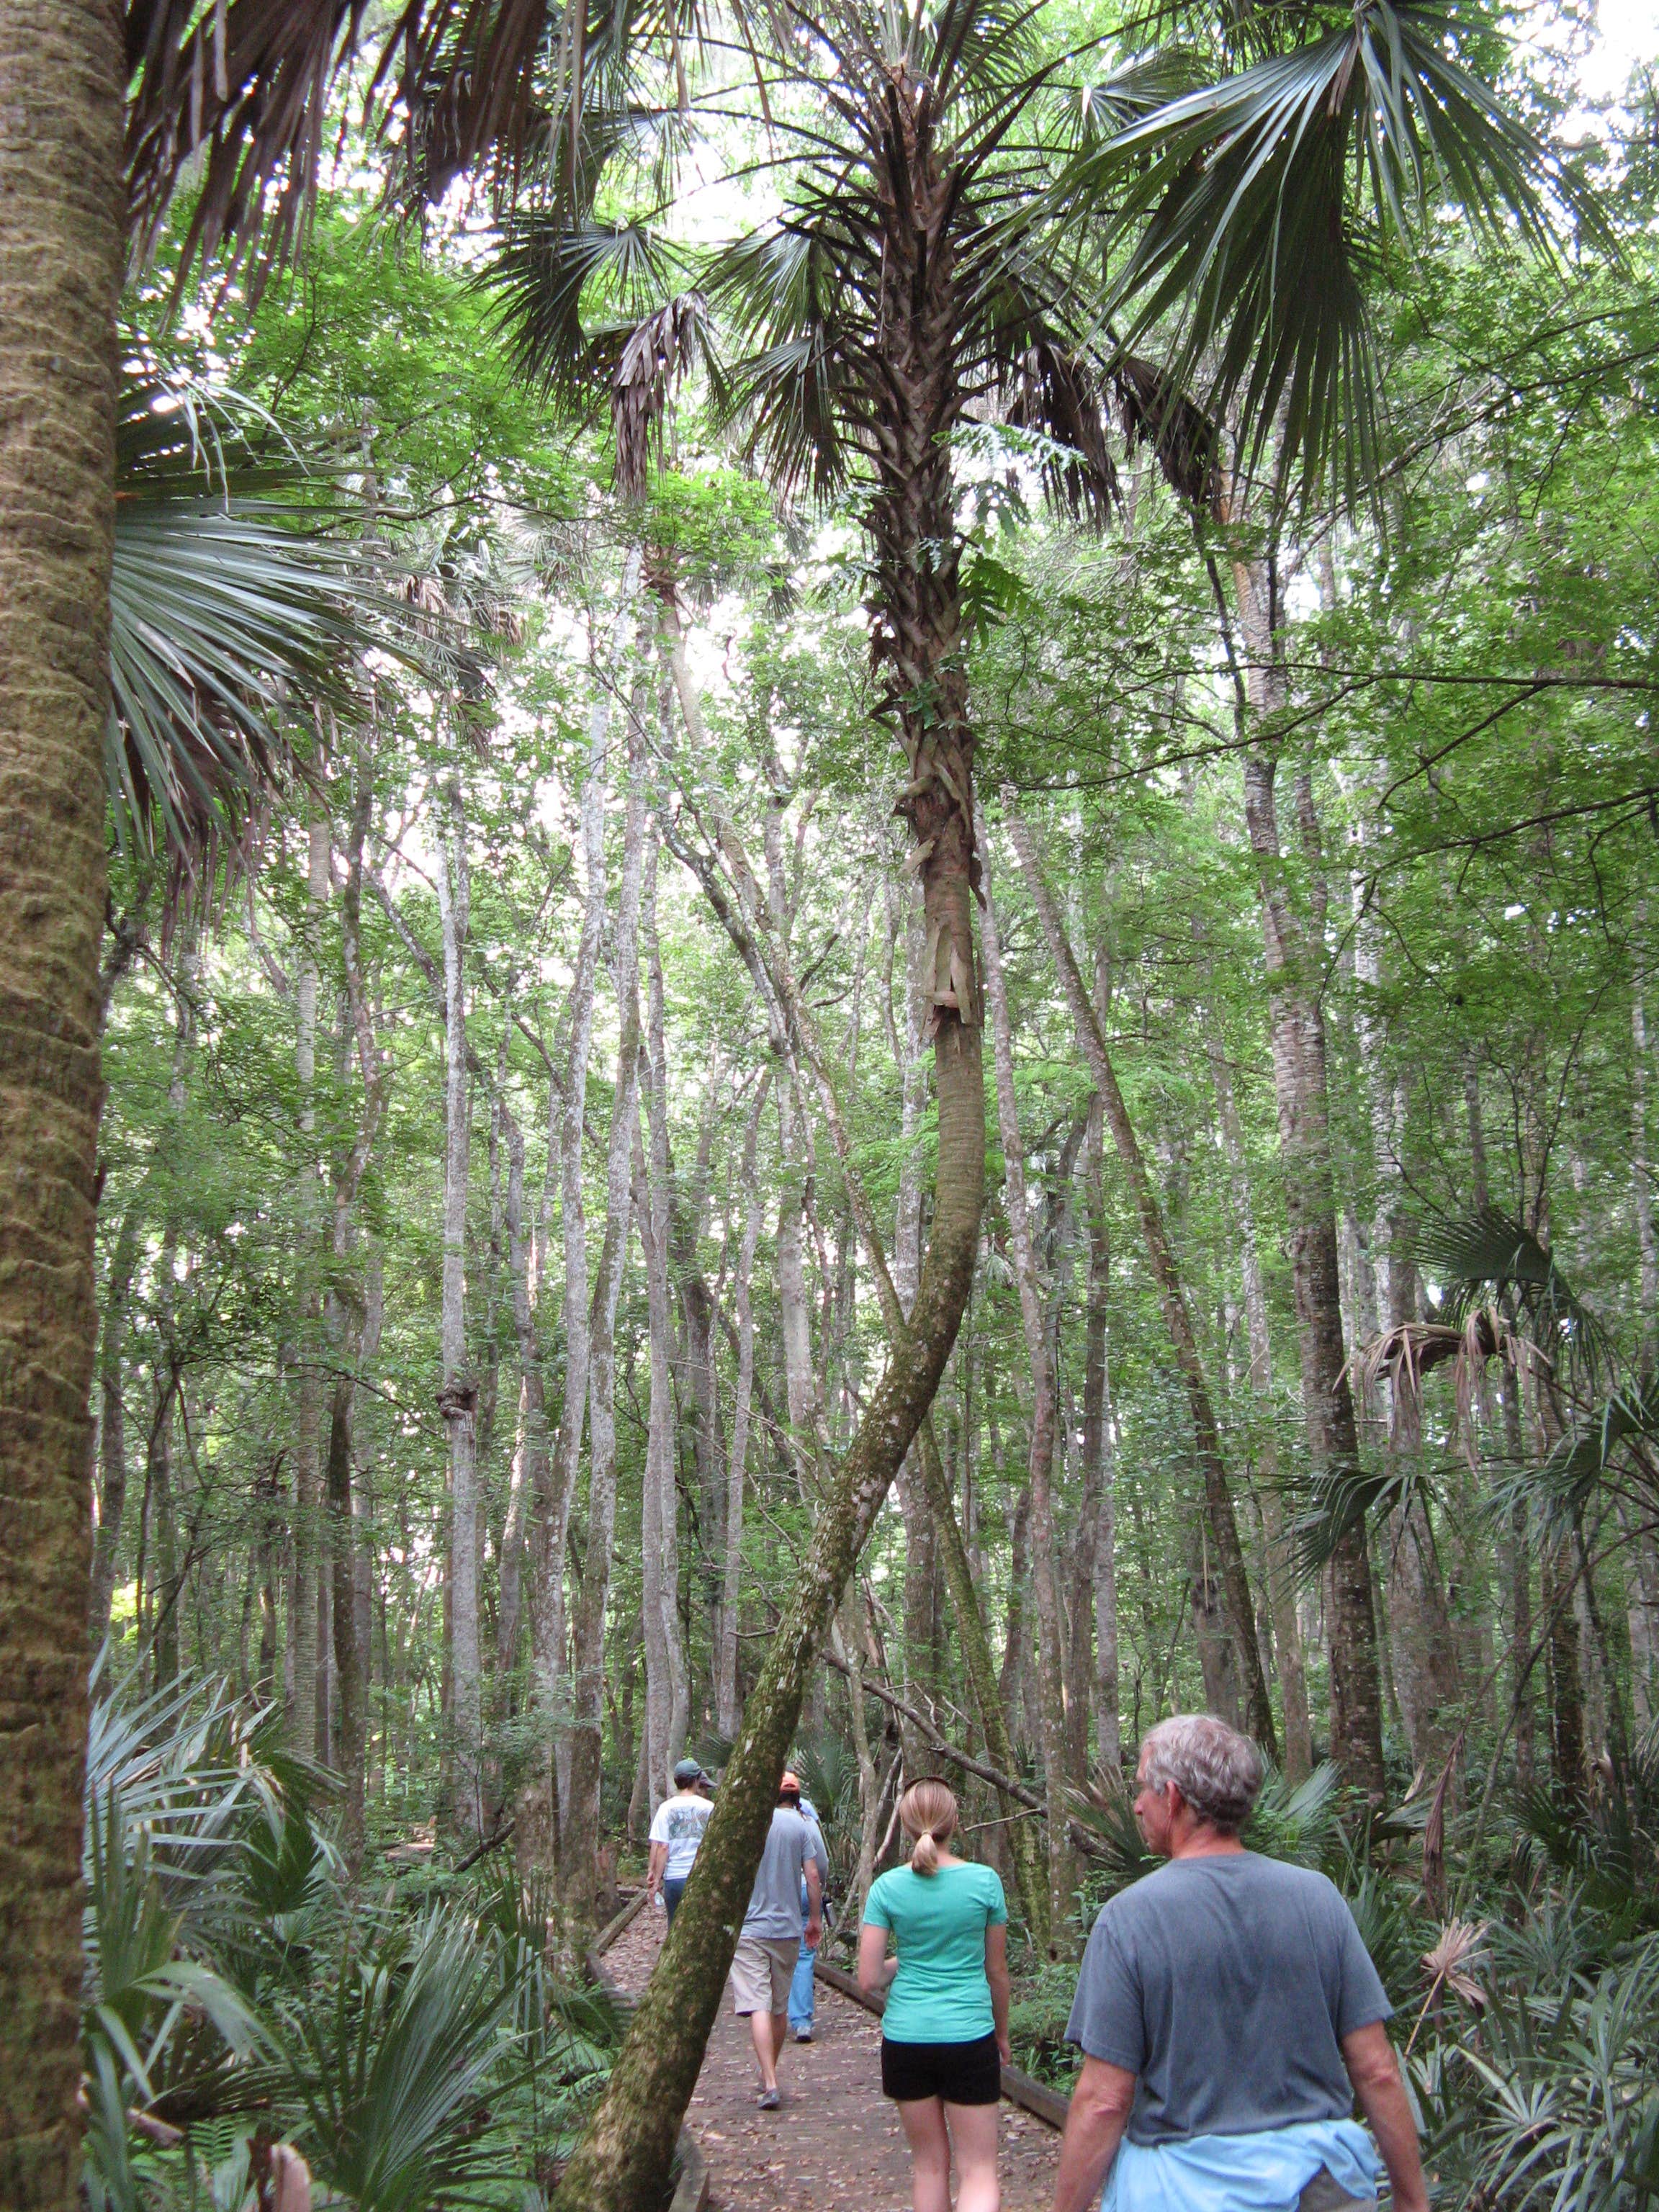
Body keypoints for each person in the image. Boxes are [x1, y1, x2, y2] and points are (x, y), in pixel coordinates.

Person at [1050, 1714, 1430, 2212]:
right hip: (1322, 2186)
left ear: (1175, 1797)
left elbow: (1104, 2099)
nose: (1137, 1805)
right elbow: (1376, 2068)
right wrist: (1413, 2202)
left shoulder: (1128, 1919)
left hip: (1182, 2194)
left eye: (1142, 1788)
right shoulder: (1316, 1899)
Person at [858, 1778, 1011, 2212]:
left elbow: (868, 1978)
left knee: (928, 2167)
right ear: (954, 1822)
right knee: (978, 2169)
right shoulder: (984, 1882)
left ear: (906, 1825)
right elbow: (996, 1971)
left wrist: (908, 1959)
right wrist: (1001, 2035)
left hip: (907, 2040)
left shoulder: (887, 1887)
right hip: (969, 2035)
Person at [729, 1771, 824, 2110]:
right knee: (779, 2006)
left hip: (750, 1929)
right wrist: (813, 1919)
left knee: (758, 2003)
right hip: (786, 1928)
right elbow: (813, 1874)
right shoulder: (802, 1826)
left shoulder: (751, 1822)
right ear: (797, 1798)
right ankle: (768, 2074)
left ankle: (769, 2081)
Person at [784, 1776, 831, 2043]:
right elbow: (820, 1864)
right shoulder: (807, 1819)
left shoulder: (765, 1821)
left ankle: (772, 2015)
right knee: (803, 1955)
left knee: (774, 1950)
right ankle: (801, 2021)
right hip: (803, 1890)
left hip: (775, 1893)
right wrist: (818, 1891)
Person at [646, 1758, 712, 1926]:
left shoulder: (666, 1809)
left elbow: (661, 1846)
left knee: (675, 1927)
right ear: (697, 1780)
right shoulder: (709, 1807)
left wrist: (654, 1876)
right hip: (702, 1875)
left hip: (675, 1878)